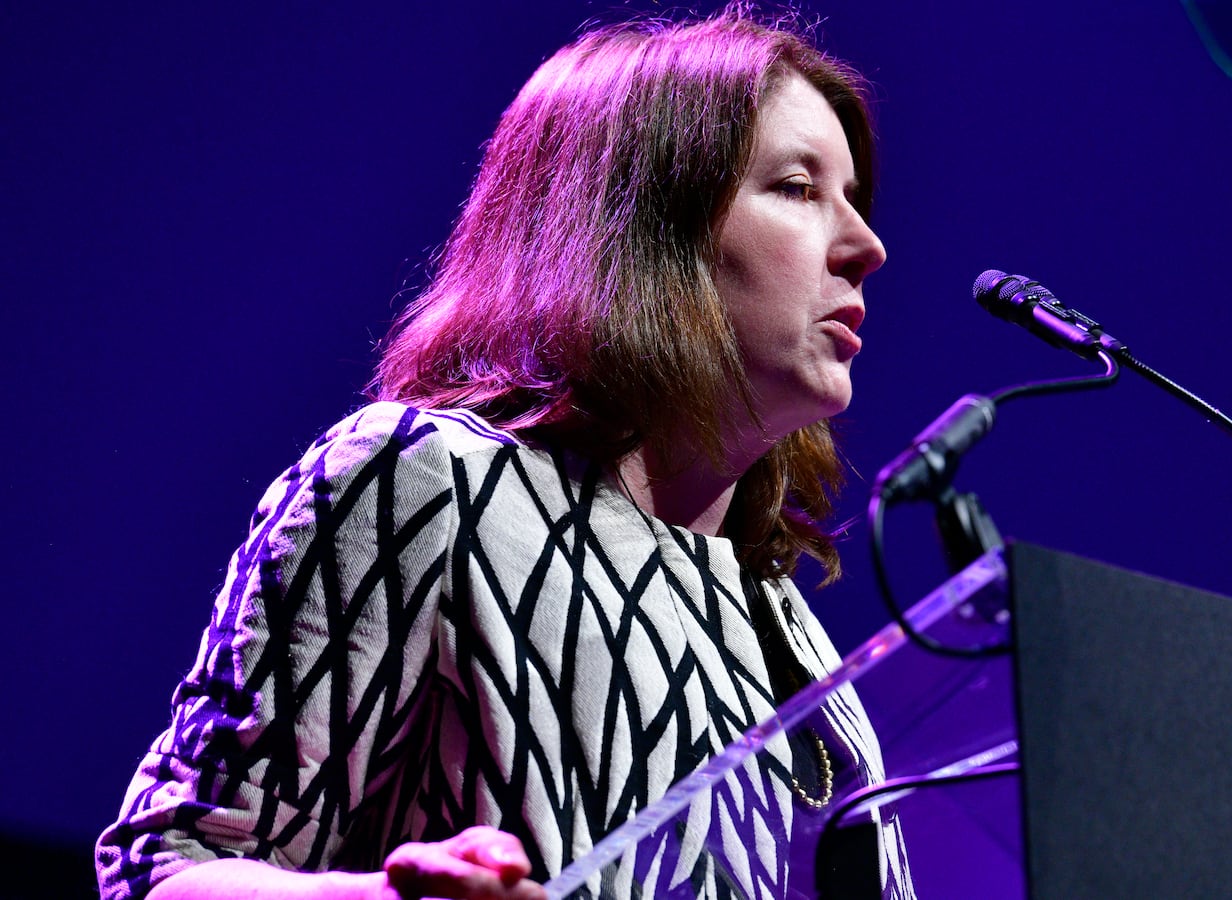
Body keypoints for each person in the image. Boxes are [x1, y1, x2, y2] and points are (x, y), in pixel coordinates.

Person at [95, 8, 914, 900]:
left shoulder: (791, 633)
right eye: (798, 188)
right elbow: (161, 874)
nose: (865, 247)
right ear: (642, 229)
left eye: (854, 199)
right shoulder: (427, 482)